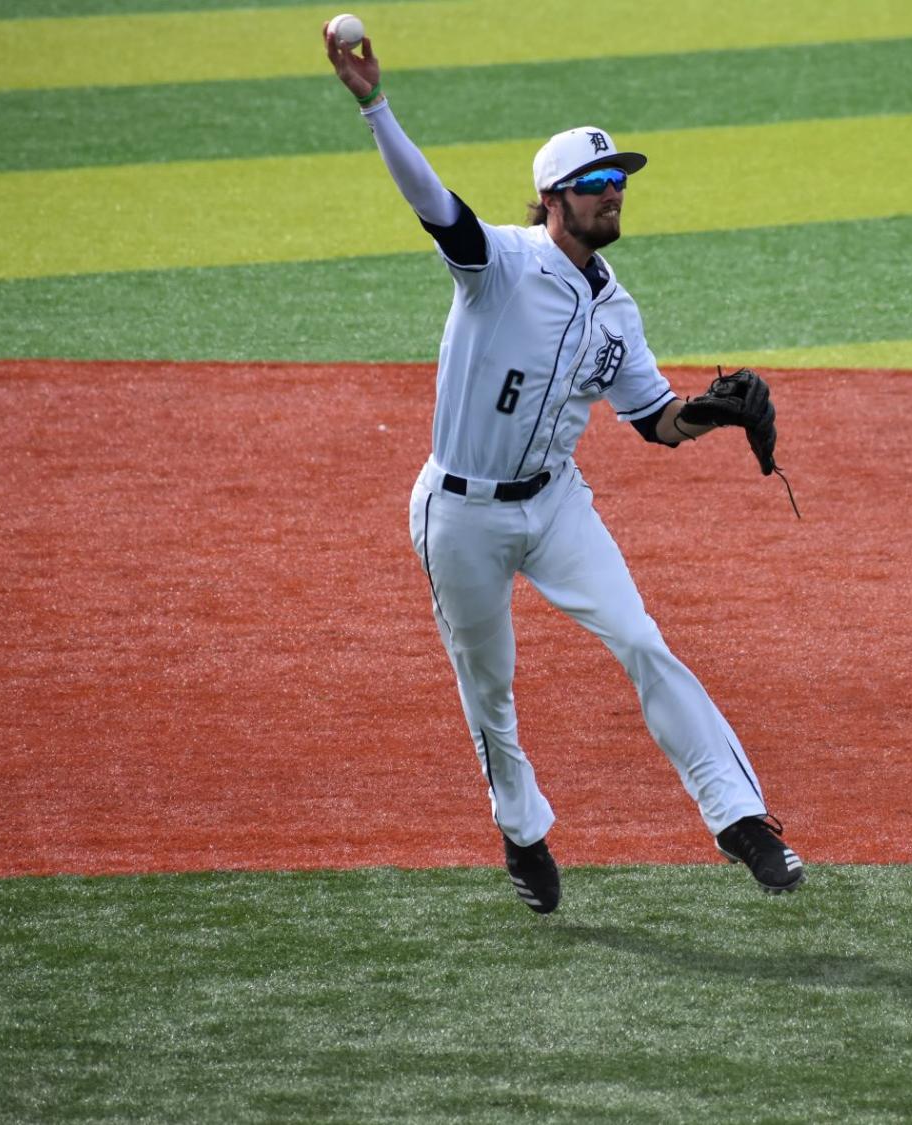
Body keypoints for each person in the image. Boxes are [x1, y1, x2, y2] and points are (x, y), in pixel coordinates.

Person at [325, 26, 804, 913]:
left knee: (642, 638)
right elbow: (433, 202)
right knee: (490, 689)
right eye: (595, 183)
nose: (613, 192)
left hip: (556, 508)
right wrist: (373, 104)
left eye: (619, 179)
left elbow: (655, 423)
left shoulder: (616, 308)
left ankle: (741, 820)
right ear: (554, 199)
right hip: (459, 515)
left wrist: (717, 411)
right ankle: (523, 831)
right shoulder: (498, 266)